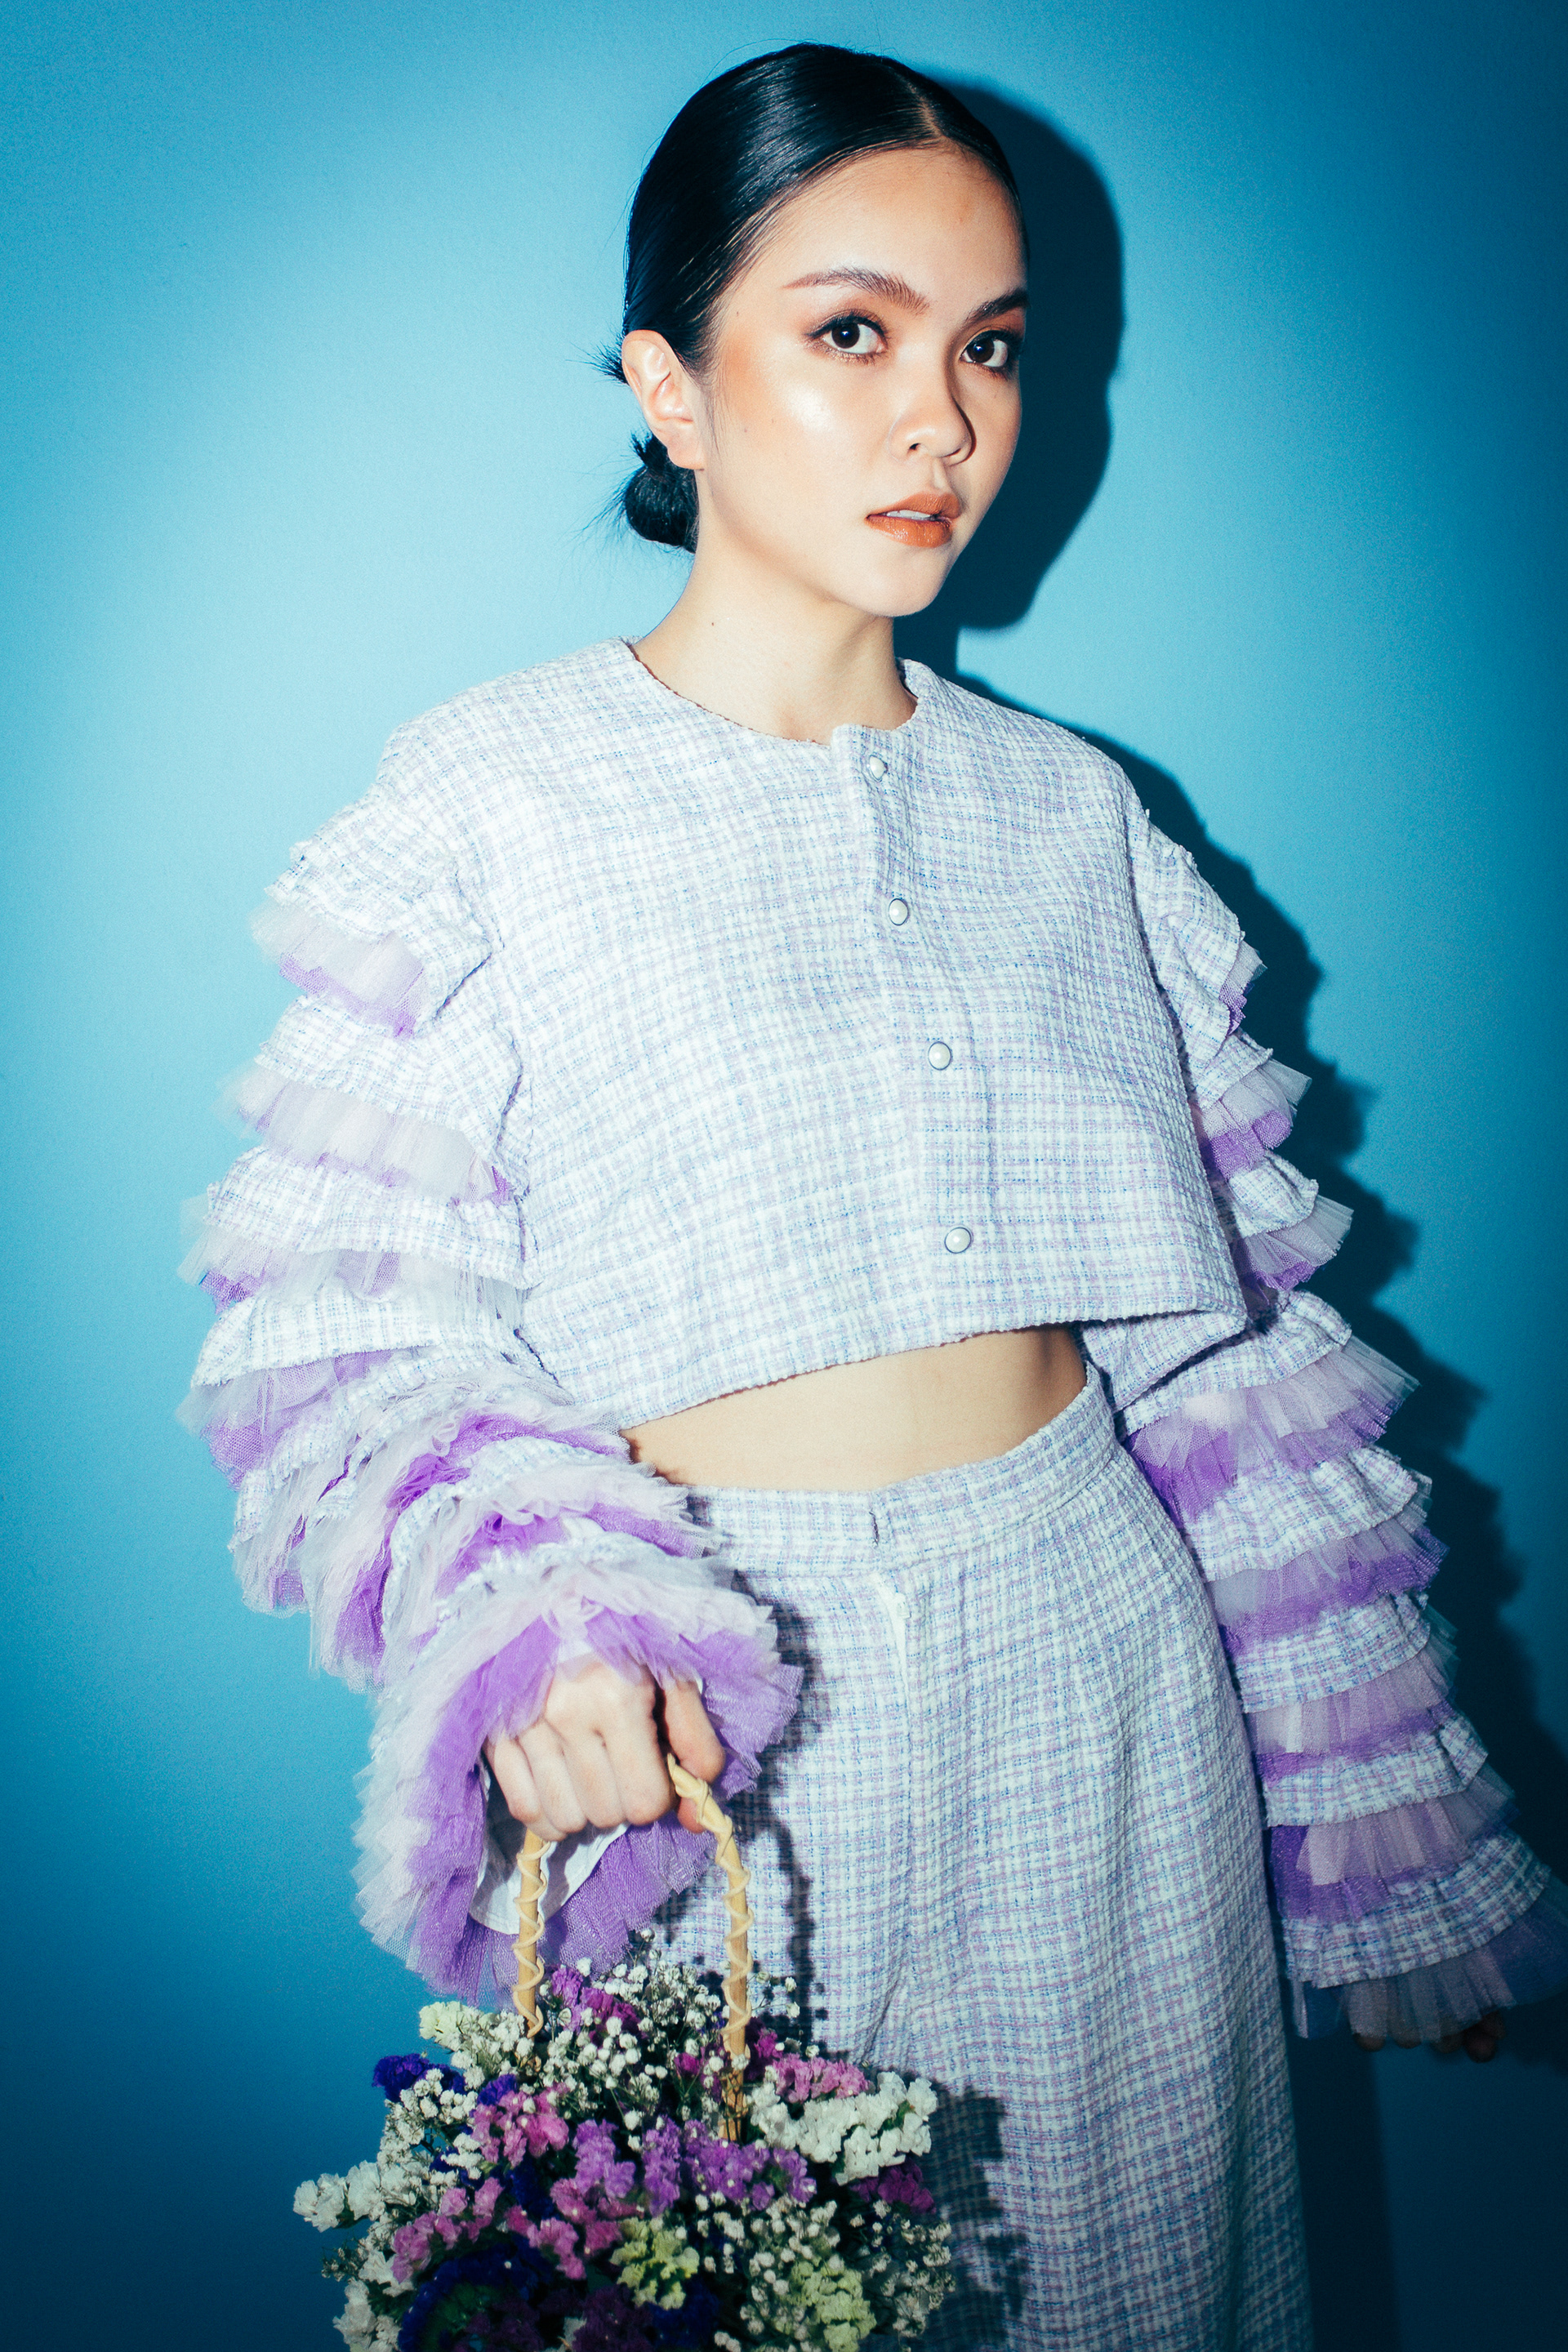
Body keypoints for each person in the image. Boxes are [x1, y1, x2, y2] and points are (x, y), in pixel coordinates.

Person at [181, 42, 1568, 2350]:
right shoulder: (488, 803)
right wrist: (547, 1623)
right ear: (671, 384)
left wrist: (1386, 1825)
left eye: (990, 347)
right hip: (729, 1750)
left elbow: (1234, 1376)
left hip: (1112, 1685)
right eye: (853, 331)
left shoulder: (1079, 819)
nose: (944, 421)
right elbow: (348, 1331)